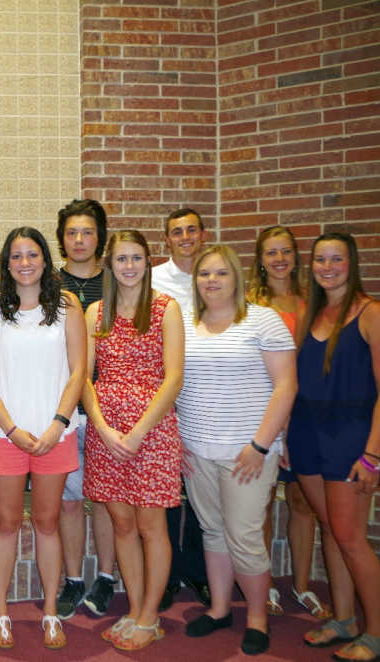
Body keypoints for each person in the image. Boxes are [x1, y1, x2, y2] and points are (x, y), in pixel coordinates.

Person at [177, 245, 297, 656]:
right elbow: (174, 383)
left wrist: (261, 444)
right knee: (212, 530)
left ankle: (258, 619)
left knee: (244, 536)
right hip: (197, 449)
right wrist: (179, 440)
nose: (211, 281)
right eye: (204, 274)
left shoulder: (263, 320)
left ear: (237, 278)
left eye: (221, 273)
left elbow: (286, 386)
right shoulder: (185, 323)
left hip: (247, 452)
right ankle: (219, 609)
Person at [0, 227, 86, 650]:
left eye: (32, 254)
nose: (24, 263)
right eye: (16, 256)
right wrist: (11, 429)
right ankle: (1, 613)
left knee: (47, 523)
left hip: (56, 434)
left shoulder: (68, 306)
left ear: (45, 259)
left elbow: (78, 370)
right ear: (6, 263)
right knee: (6, 525)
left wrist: (58, 423)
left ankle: (51, 612)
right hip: (5, 435)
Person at [288, 232, 380, 662]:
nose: (327, 267)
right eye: (320, 260)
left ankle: (377, 635)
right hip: (306, 434)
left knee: (351, 537)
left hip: (351, 439)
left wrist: (372, 455)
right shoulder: (310, 313)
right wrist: (285, 436)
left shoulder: (374, 314)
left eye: (336, 259)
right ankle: (345, 620)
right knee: (330, 529)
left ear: (351, 263)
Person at [82, 230, 183, 650]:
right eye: (121, 259)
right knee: (122, 524)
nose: (129, 266)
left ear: (147, 262)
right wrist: (103, 428)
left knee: (151, 526)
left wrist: (139, 431)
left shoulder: (165, 309)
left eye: (136, 258)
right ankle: (136, 608)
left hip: (151, 431)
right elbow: (83, 377)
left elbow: (174, 378)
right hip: (106, 431)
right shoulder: (95, 312)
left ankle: (150, 615)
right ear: (110, 264)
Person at [246, 226, 331, 621]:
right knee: (260, 505)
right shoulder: (249, 304)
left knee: (303, 502)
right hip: (263, 414)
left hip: (306, 416)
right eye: (271, 253)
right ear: (260, 260)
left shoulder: (313, 302)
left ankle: (301, 585)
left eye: (286, 252)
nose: (279, 259)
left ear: (296, 258)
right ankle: (263, 587)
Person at [52, 199, 116, 620]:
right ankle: (73, 579)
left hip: (108, 415)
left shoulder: (117, 283)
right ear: (62, 239)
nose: (79, 240)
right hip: (63, 413)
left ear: (100, 237)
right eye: (71, 232)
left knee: (107, 500)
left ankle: (107, 578)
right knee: (70, 501)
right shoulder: (46, 284)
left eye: (87, 232)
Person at [150, 208, 211, 610]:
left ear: (203, 234)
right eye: (177, 232)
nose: (185, 237)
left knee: (202, 491)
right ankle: (169, 575)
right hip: (166, 395)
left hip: (207, 395)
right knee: (168, 491)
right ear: (167, 239)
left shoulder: (216, 275)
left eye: (191, 230)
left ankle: (200, 572)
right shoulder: (155, 280)